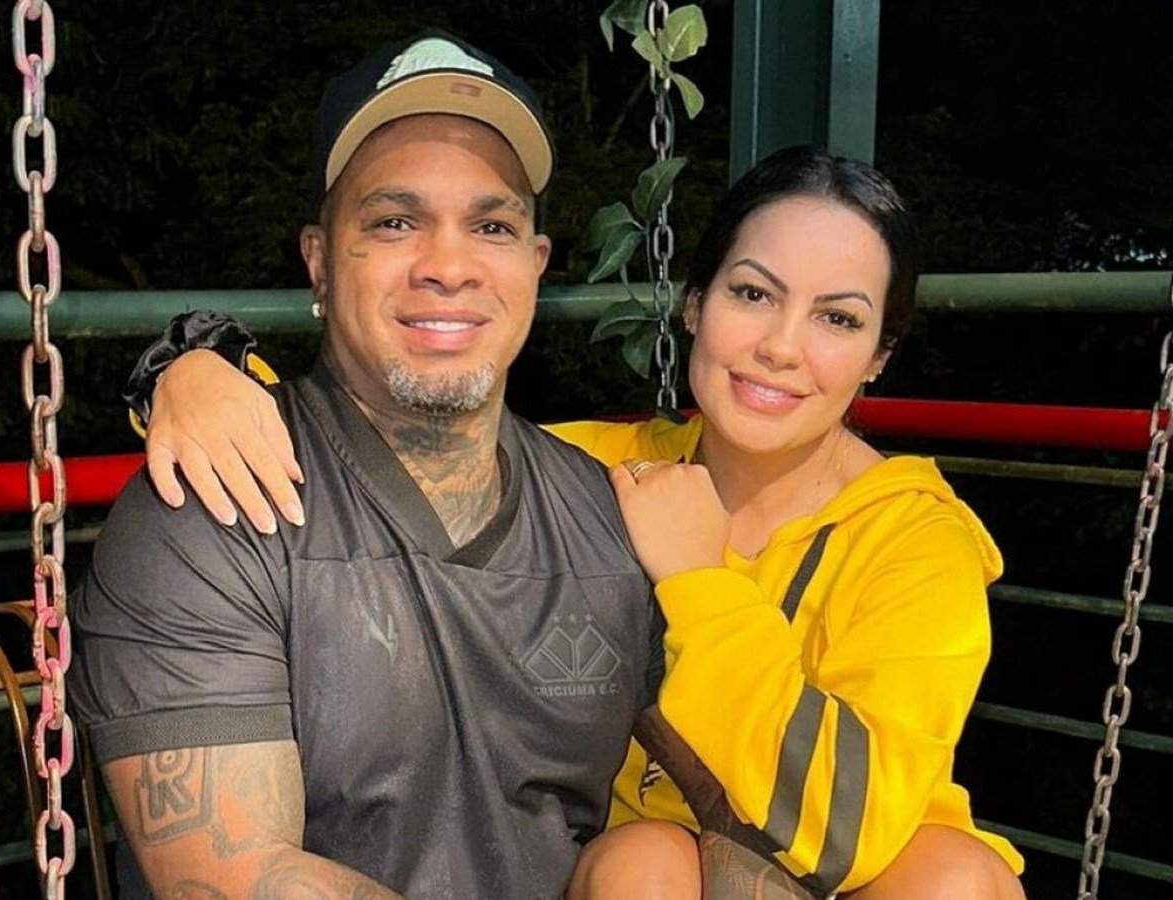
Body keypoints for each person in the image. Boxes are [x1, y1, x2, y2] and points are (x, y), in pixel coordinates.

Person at [140, 145, 1029, 898]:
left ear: (877, 357)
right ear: (695, 305)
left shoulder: (919, 544)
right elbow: (397, 449)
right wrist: (194, 369)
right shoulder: (599, 468)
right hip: (645, 872)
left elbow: (841, 834)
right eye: (754, 295)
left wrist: (703, 583)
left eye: (837, 318)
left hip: (854, 875)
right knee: (645, 863)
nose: (782, 347)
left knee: (954, 879)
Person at [70, 30, 665, 900]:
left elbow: (748, 798)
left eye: (492, 226)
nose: (449, 268)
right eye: (394, 222)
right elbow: (236, 878)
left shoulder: (610, 510)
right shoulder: (216, 505)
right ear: (318, 261)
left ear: (535, 266)